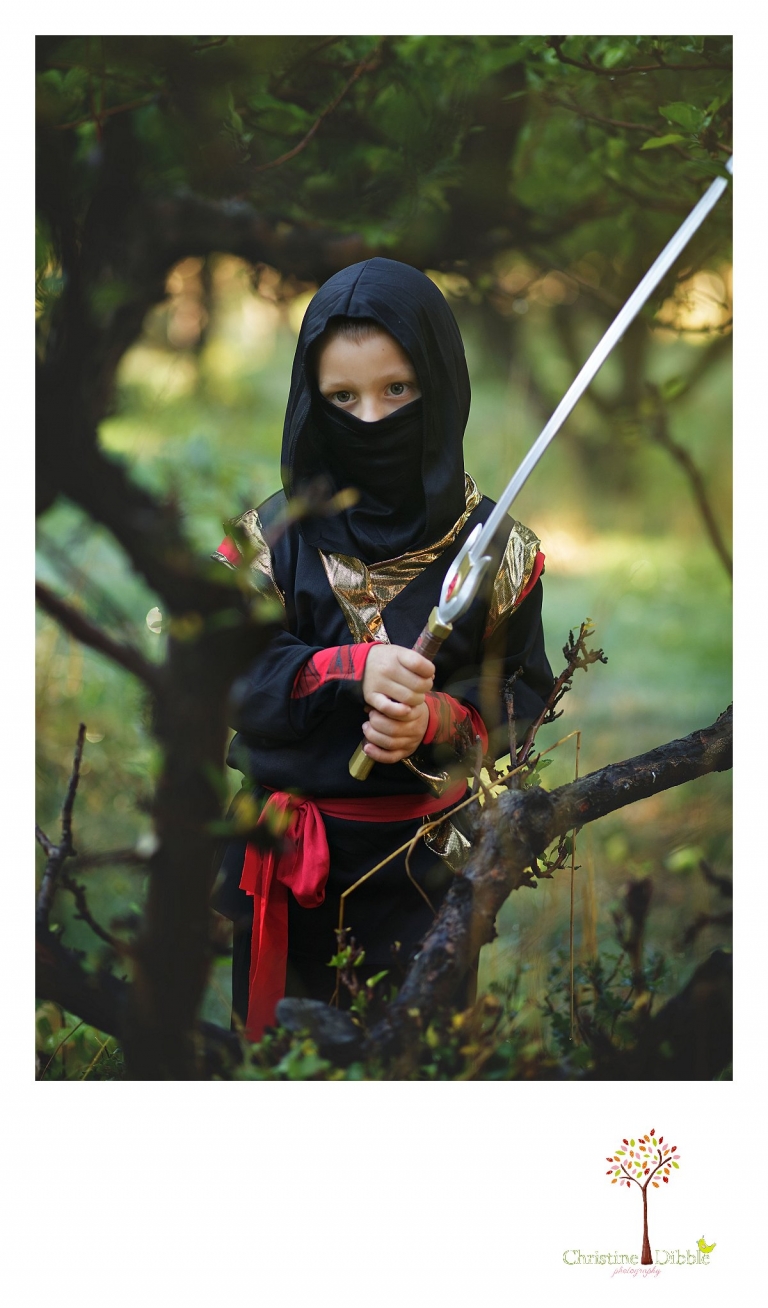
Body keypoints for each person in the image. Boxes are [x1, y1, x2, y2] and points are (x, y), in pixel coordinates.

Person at [212, 257, 554, 1042]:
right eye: (343, 398)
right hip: (289, 867)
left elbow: (521, 701)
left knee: (417, 1075)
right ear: (312, 401)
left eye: (397, 390)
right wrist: (344, 671)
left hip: (427, 875)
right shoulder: (270, 540)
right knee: (282, 1083)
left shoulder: (500, 554)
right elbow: (218, 672)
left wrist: (436, 720)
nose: (371, 420)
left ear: (440, 381)